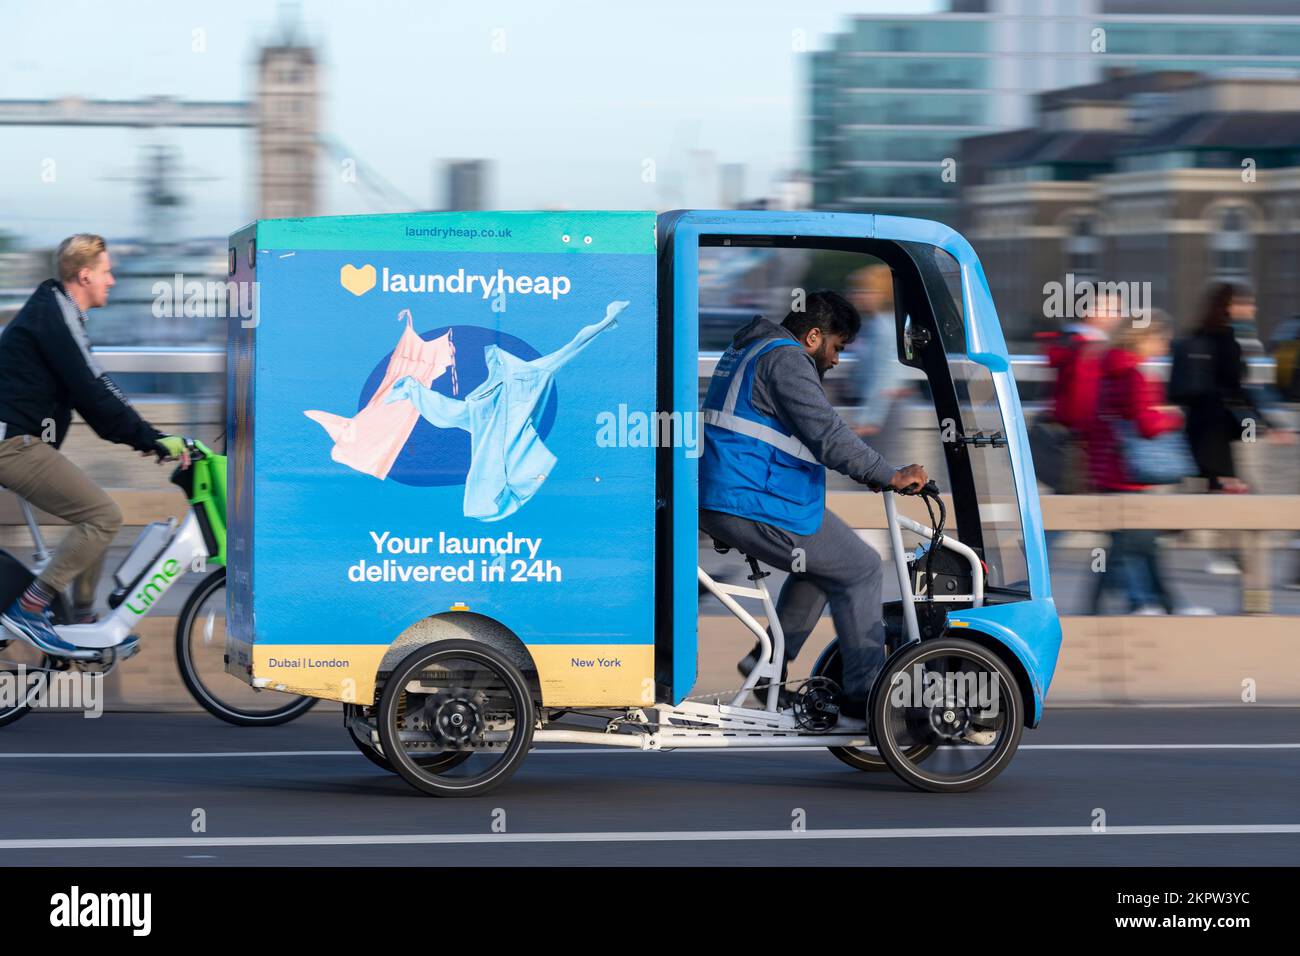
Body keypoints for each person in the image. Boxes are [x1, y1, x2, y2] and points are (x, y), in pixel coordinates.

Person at [698, 290, 928, 718]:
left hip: (738, 493)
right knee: (860, 566)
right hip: (748, 497)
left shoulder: (753, 348)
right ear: (813, 336)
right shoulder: (785, 360)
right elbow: (827, 433)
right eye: (838, 348)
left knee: (827, 564)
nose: (838, 361)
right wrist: (888, 475)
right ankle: (866, 694)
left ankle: (768, 667)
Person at [0, 234, 191, 656]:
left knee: (95, 514)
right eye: (107, 271)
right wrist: (154, 439)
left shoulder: (55, 311)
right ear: (84, 274)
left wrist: (144, 438)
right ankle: (29, 609)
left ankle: (81, 622)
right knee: (103, 516)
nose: (114, 281)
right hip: (13, 445)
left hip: (25, 442)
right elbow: (95, 389)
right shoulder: (56, 314)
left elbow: (96, 404)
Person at [1086, 313, 1206, 615]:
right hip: (1128, 472)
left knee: (1140, 544)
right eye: (1161, 337)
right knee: (1131, 546)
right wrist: (1173, 416)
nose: (1165, 343)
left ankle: (1161, 604)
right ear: (1143, 339)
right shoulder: (1135, 373)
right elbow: (1146, 425)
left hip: (1109, 468)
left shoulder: (1109, 368)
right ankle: (1107, 608)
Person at [1171, 282, 1285, 576]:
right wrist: (1267, 423)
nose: (1252, 309)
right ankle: (1227, 553)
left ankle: (1216, 548)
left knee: (1217, 487)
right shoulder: (1228, 341)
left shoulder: (1195, 336)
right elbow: (1238, 390)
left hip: (1198, 424)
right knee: (1230, 489)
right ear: (1229, 307)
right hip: (1218, 428)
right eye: (1245, 303)